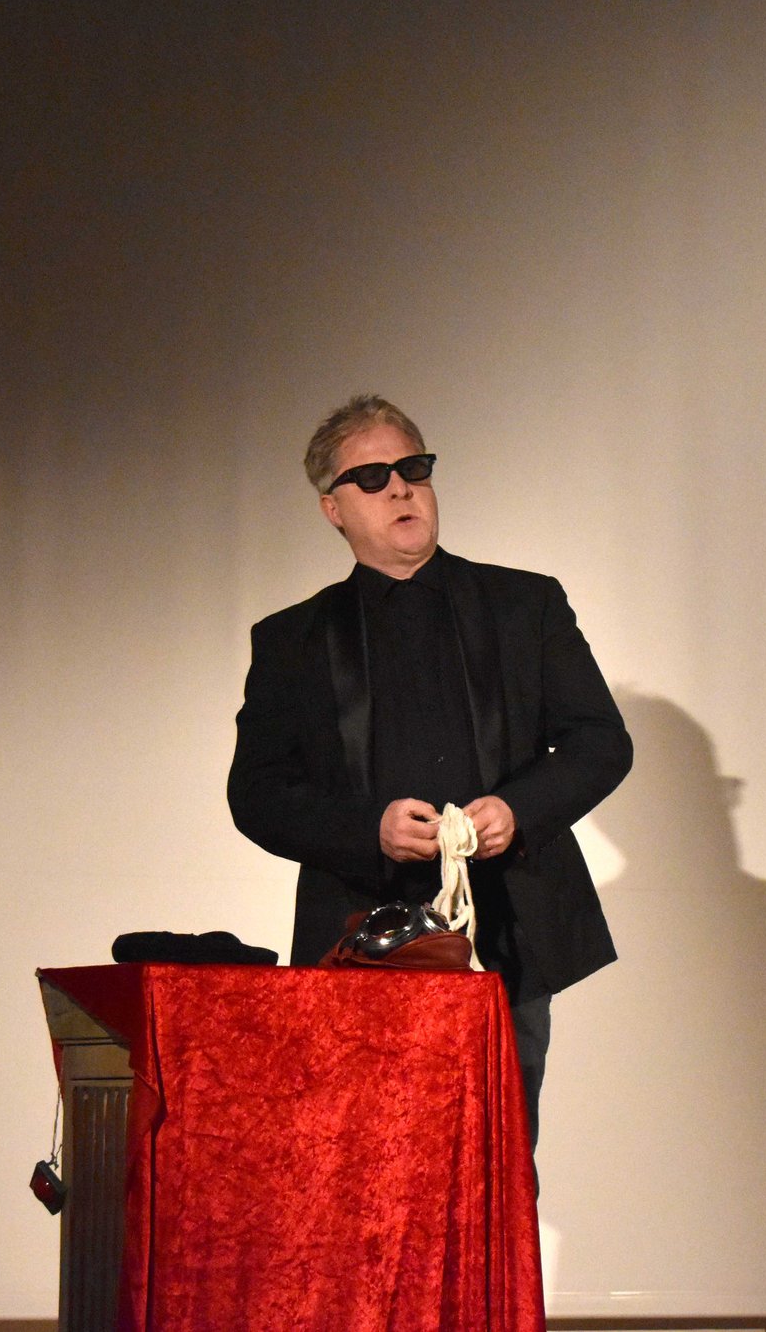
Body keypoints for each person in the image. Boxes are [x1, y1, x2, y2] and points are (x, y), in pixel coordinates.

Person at [227, 395, 631, 1144]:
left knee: (498, 1162)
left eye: (413, 468)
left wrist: (518, 809)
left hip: (503, 935)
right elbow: (256, 792)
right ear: (333, 509)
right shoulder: (291, 640)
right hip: (358, 939)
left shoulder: (525, 604)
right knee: (362, 1165)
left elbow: (600, 741)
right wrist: (369, 830)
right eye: (371, 477)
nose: (400, 488)